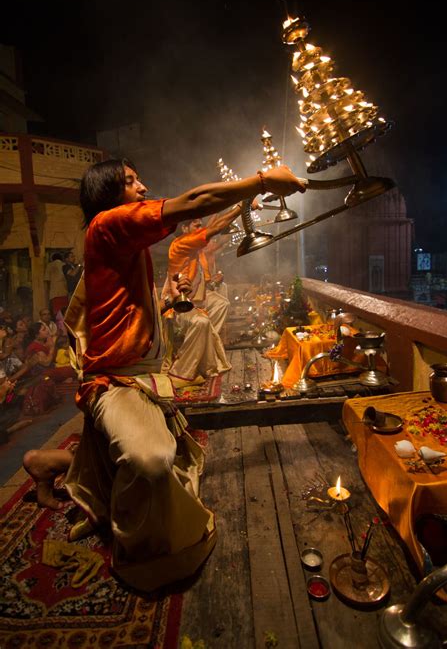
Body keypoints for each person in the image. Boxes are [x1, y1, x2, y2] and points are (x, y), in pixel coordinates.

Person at [23, 157, 305, 592]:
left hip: (141, 372)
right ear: (108, 195)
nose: (143, 186)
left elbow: (129, 311)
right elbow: (192, 202)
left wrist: (167, 300)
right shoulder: (107, 225)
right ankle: (141, 555)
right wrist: (263, 180)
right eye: (131, 181)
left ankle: (44, 464)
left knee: (130, 453)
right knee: (151, 461)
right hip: (115, 379)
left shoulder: (125, 245)